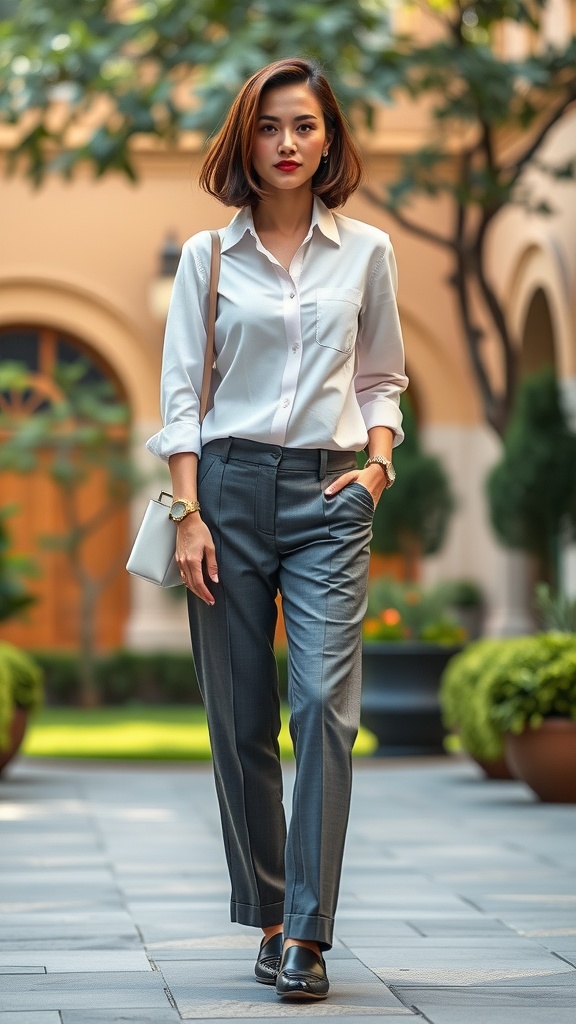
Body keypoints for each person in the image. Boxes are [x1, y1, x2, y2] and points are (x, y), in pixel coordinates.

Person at [146, 56, 408, 1001]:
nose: (287, 143)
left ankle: (308, 931)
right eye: (268, 127)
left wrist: (377, 466)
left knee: (323, 710)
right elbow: (182, 395)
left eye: (303, 125)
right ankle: (264, 912)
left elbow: (382, 375)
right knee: (241, 718)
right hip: (224, 492)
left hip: (333, 495)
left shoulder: (369, 252)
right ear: (244, 141)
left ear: (328, 135)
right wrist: (188, 514)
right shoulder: (208, 259)